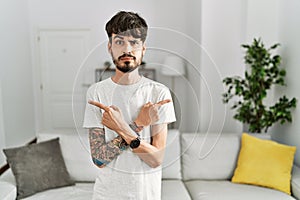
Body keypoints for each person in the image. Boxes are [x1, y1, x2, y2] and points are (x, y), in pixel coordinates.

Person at [83, 11, 176, 200]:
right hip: (106, 195)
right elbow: (99, 159)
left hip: (145, 194)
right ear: (110, 47)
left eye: (134, 42)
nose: (127, 49)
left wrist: (121, 127)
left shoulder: (159, 93)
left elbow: (156, 159)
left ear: (143, 48)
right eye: (119, 42)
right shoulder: (97, 93)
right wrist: (138, 125)